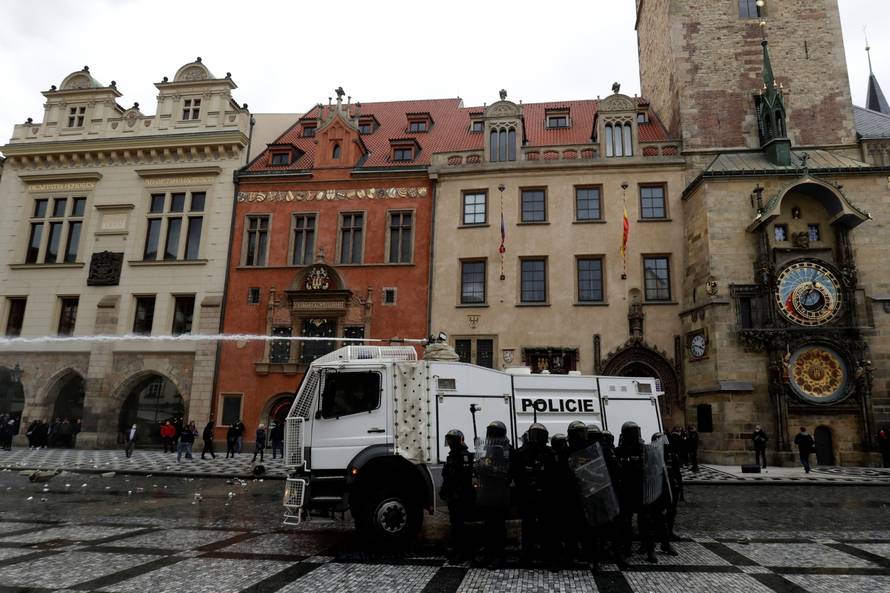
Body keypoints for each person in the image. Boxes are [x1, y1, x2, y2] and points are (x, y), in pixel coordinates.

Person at [512, 422, 557, 568]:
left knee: (548, 526)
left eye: (539, 434)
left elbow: (556, 476)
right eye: (534, 434)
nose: (536, 438)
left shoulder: (551, 453)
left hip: (546, 496)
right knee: (528, 526)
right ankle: (527, 555)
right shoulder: (522, 453)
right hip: (528, 496)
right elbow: (516, 475)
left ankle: (549, 556)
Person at [615, 421, 657, 564]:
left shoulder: (644, 450)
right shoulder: (619, 451)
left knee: (645, 521)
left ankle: (650, 549)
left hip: (641, 490)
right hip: (626, 490)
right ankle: (627, 548)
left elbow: (653, 469)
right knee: (625, 522)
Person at [473, 420, 512, 569]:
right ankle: (489, 552)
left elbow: (508, 470)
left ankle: (499, 555)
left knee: (498, 526)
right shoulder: (485, 448)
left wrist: (492, 469)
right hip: (487, 492)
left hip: (500, 493)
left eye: (493, 432)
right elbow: (478, 465)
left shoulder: (508, 449)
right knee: (488, 525)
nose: (491, 435)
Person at [440, 428, 475, 563]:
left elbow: (463, 478)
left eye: (451, 440)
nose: (449, 443)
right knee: (455, 524)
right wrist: (445, 490)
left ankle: (462, 552)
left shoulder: (463, 456)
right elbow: (447, 476)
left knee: (459, 525)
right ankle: (456, 549)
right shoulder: (452, 456)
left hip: (460, 496)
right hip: (453, 496)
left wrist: (457, 492)